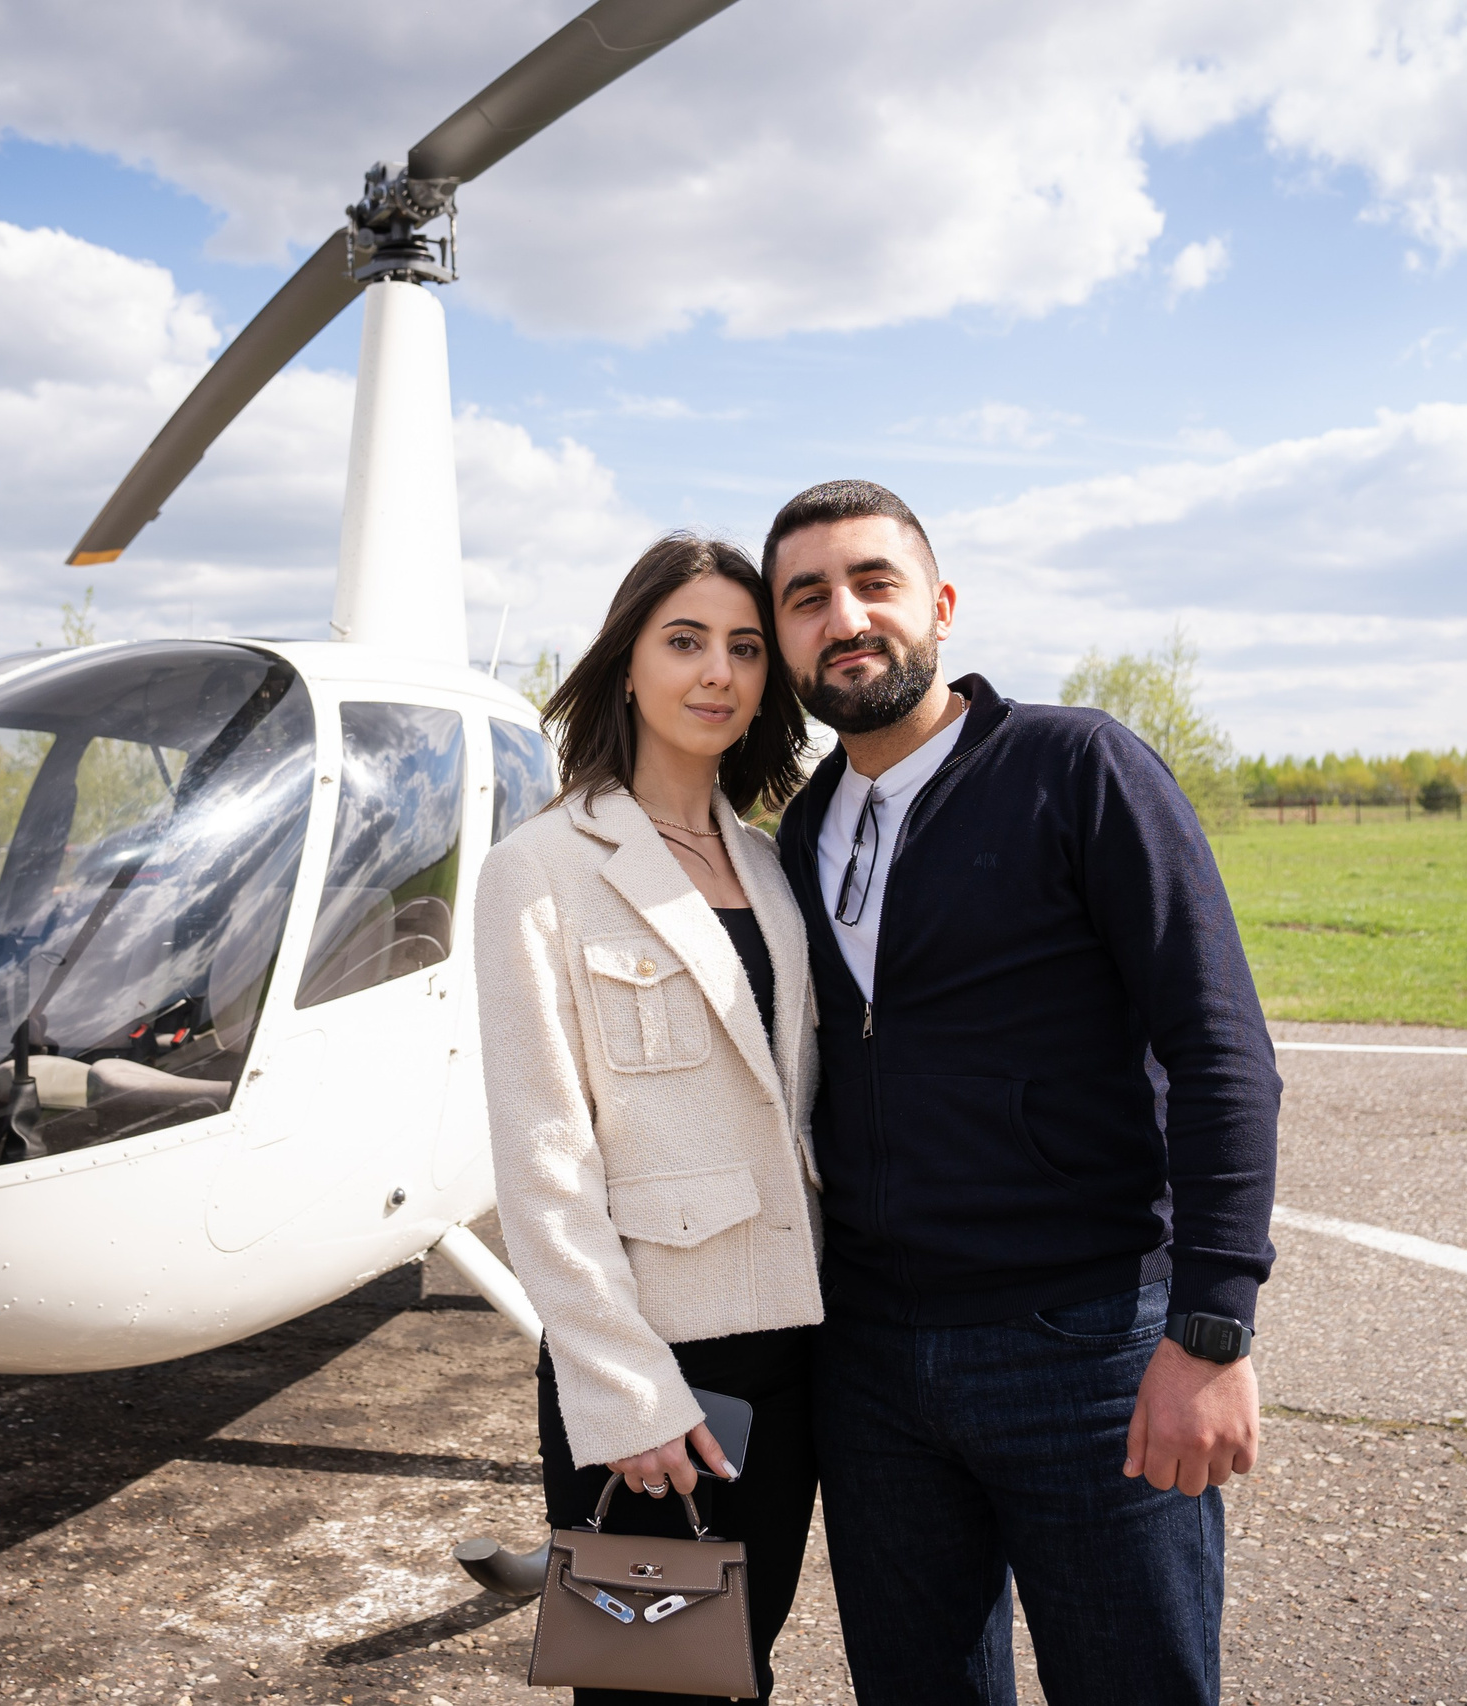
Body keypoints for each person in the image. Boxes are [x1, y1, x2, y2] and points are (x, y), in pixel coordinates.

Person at [762, 480, 1281, 1705]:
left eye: (872, 582)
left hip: (1086, 1344)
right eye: (806, 598)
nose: (844, 616)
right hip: (875, 1362)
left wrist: (1209, 1327)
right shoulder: (800, 832)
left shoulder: (1076, 765)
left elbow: (1221, 1049)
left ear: (938, 606)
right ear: (784, 638)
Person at [474, 533, 823, 1703]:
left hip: (792, 1352)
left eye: (742, 647)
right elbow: (541, 1157)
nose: (716, 672)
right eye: (684, 642)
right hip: (656, 1364)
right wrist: (625, 1392)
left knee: (743, 1671)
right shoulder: (540, 868)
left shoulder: (771, 867)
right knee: (645, 1690)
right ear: (627, 661)